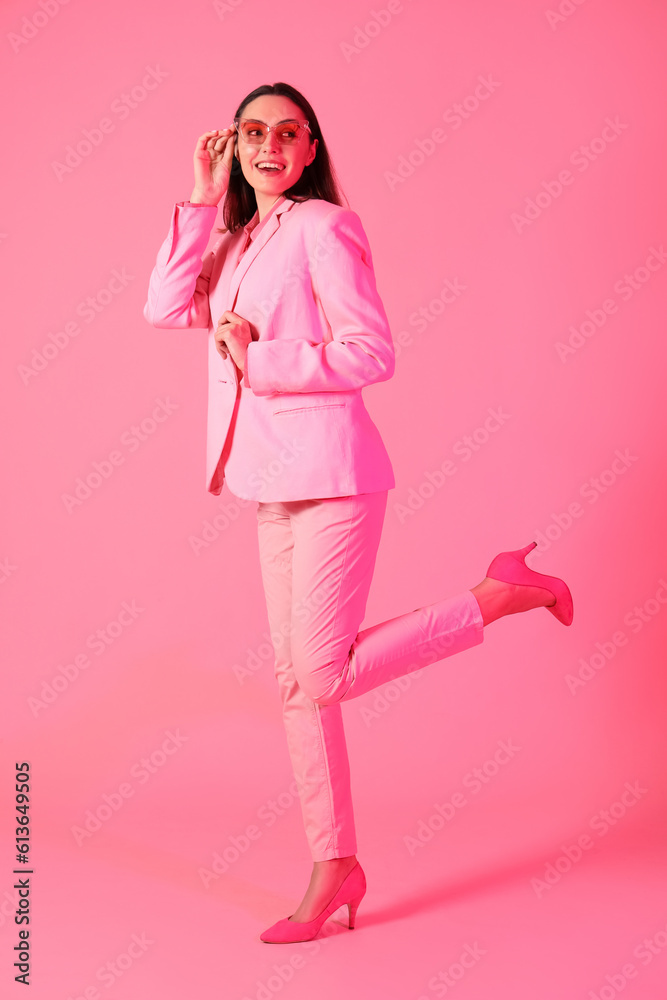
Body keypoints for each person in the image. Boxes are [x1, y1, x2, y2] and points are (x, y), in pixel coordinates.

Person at [143, 81, 574, 945]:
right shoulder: (234, 241)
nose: (269, 146)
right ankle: (333, 863)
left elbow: (370, 350)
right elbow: (161, 309)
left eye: (287, 133)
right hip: (269, 481)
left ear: (309, 150)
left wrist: (260, 359)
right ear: (235, 146)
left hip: (335, 475)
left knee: (320, 674)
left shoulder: (322, 227)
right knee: (299, 687)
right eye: (252, 132)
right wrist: (197, 197)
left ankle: (496, 595)